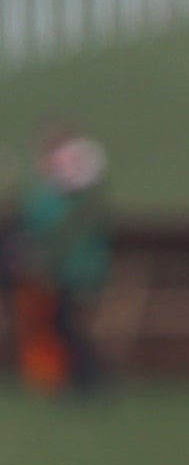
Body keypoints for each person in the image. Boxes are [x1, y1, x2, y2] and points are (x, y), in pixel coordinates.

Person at [18, 129, 112, 396]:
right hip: (76, 272)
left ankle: (88, 381)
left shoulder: (64, 200)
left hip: (73, 273)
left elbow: (44, 224)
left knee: (68, 327)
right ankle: (85, 380)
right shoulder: (82, 200)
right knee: (67, 326)